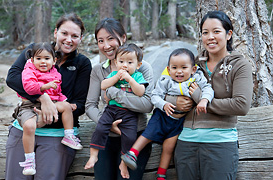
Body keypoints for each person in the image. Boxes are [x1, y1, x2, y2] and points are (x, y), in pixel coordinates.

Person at [5, 13, 92, 180]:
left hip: (57, 134)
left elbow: (80, 104)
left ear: (81, 38)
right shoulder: (35, 50)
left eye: (75, 36)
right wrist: (42, 98)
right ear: (55, 32)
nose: (69, 39)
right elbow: (12, 78)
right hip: (24, 128)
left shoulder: (82, 63)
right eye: (64, 33)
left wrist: (49, 116)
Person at [168, 11, 253, 180]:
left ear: (228, 34)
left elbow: (241, 105)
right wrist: (174, 100)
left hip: (221, 144)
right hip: (186, 143)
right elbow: (164, 89)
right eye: (205, 32)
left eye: (216, 31)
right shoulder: (192, 64)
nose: (210, 37)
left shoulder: (240, 65)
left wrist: (201, 99)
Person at [121, 48, 214, 180]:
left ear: (193, 69)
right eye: (174, 67)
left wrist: (204, 100)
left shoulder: (197, 79)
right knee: (148, 134)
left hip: (178, 121)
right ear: (169, 70)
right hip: (161, 116)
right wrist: (163, 104)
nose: (179, 71)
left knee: (168, 147)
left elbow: (208, 89)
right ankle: (132, 153)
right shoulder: (166, 80)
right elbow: (155, 96)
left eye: (184, 67)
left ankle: (161, 174)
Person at [85, 18, 154, 180]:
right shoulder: (98, 70)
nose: (106, 46)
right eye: (100, 41)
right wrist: (106, 123)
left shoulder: (142, 67)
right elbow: (90, 106)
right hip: (107, 136)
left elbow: (147, 104)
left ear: (123, 38)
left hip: (135, 136)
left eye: (110, 39)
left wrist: (114, 93)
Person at [15, 42, 83, 175]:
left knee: (66, 107)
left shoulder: (55, 72)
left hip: (52, 103)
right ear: (32, 59)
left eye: (47, 58)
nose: (42, 62)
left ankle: (69, 136)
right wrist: (45, 88)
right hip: (30, 104)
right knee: (29, 126)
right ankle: (29, 160)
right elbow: (29, 87)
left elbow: (57, 93)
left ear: (54, 60)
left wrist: (65, 101)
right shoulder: (29, 70)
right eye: (38, 58)